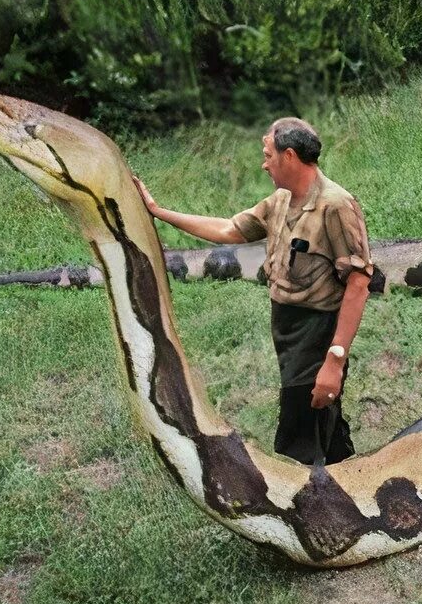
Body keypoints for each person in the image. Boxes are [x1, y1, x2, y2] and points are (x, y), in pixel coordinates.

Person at [132, 118, 372, 465]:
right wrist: (159, 213)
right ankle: (350, 482)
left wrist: (334, 360)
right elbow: (230, 229)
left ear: (289, 156)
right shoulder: (280, 201)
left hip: (318, 330)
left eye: (268, 155)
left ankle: (319, 503)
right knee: (320, 417)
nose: (264, 163)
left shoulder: (335, 206)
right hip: (286, 326)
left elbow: (359, 283)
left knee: (300, 432)